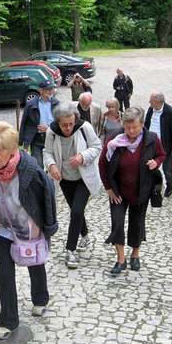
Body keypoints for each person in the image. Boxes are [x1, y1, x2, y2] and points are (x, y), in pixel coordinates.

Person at [0, 121, 58, 340]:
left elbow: (47, 196)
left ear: (12, 149)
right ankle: (8, 321)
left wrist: (49, 227)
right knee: (5, 274)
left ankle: (40, 299)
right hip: (3, 228)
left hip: (29, 226)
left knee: (35, 263)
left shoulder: (30, 170)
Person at [99, 107, 165, 275]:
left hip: (141, 190)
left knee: (137, 223)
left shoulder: (152, 139)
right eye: (127, 127)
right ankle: (121, 260)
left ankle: (135, 254)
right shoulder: (115, 139)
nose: (131, 131)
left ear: (142, 124)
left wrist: (156, 163)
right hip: (118, 191)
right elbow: (102, 164)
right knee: (117, 222)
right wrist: (108, 188)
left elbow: (161, 154)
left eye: (134, 127)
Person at [44, 103, 102, 269]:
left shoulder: (85, 128)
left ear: (75, 120)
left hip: (84, 177)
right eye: (64, 125)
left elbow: (97, 146)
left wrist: (82, 157)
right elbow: (47, 152)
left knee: (76, 211)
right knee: (76, 211)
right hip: (64, 178)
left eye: (70, 123)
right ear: (58, 122)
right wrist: (51, 165)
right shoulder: (51, 132)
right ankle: (84, 234)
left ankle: (70, 250)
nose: (68, 128)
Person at [144, 92, 172, 197]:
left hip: (166, 146)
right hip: (151, 144)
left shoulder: (169, 112)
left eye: (151, 100)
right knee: (150, 166)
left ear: (157, 101)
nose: (149, 102)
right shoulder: (151, 109)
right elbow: (146, 124)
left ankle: (170, 186)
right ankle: (152, 186)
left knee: (167, 170)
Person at [19, 79, 59, 167]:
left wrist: (48, 129)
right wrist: (25, 144)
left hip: (53, 138)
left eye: (51, 89)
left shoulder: (57, 104)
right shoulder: (30, 104)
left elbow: (60, 124)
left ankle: (51, 181)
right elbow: (25, 124)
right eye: (48, 89)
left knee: (54, 166)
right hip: (37, 140)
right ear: (41, 90)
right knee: (38, 167)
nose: (50, 91)